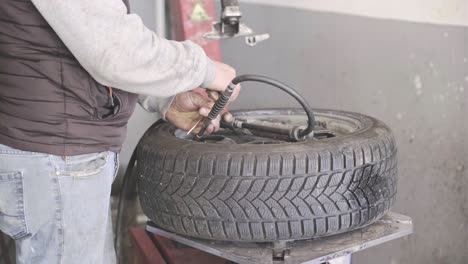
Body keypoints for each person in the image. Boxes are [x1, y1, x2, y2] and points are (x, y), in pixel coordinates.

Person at [0, 0, 239, 263]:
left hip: (55, 150)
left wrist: (165, 101)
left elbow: (81, 38)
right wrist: (206, 70)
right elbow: (115, 51)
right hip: (56, 155)